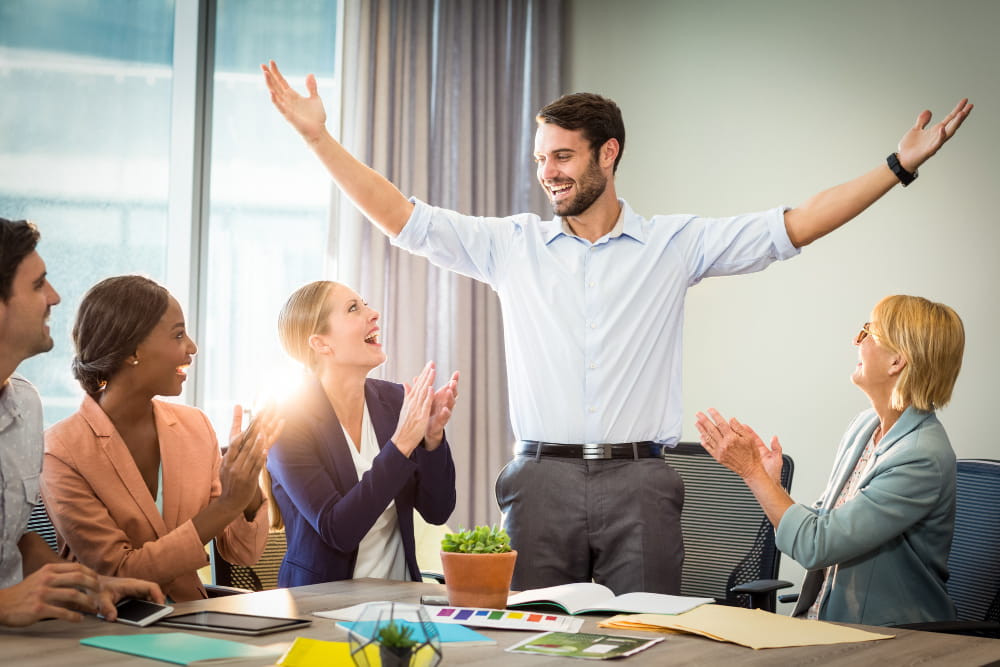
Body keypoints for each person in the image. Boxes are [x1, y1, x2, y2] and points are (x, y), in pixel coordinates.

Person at [261, 59, 973, 594]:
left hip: (641, 483)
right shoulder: (512, 246)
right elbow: (400, 216)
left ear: (608, 153)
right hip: (538, 482)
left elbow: (797, 224)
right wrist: (319, 139)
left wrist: (897, 166)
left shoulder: (673, 245)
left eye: (562, 156)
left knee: (652, 645)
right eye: (541, 159)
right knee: (531, 645)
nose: (548, 173)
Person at [696, 295, 964, 626]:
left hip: (891, 636)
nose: (856, 340)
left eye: (868, 332)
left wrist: (752, 473)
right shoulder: (865, 426)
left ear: (897, 361)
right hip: (826, 624)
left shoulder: (920, 456)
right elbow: (825, 522)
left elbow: (816, 545)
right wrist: (771, 483)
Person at [41, 275, 283, 602]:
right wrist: (227, 504)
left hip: (191, 618)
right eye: (178, 335)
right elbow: (120, 573)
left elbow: (242, 552)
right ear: (132, 350)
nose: (192, 348)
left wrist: (247, 482)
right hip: (108, 623)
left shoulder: (196, 426)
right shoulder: (60, 451)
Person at [0, 218, 164, 627]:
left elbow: (14, 542)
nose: (54, 297)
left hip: (27, 642)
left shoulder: (26, 405)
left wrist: (90, 585)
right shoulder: (66, 442)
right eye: (37, 285)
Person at [266, 280, 457, 586]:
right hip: (322, 602)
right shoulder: (287, 423)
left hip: (401, 599)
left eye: (365, 304)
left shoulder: (395, 401)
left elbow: (438, 511)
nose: (374, 313)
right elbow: (338, 530)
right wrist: (402, 444)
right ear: (321, 344)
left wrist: (432, 441)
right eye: (353, 308)